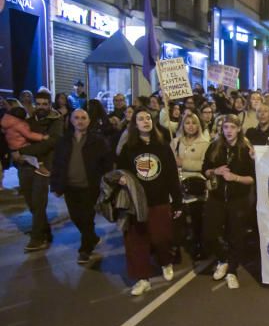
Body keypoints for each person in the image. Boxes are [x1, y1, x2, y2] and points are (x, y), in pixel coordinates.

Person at [116, 109, 183, 296]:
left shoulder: (162, 147)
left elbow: (171, 176)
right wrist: (121, 179)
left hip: (159, 200)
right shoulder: (128, 149)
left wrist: (177, 201)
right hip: (136, 203)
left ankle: (165, 262)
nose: (145, 121)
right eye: (140, 119)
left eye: (148, 118)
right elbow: (120, 172)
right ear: (134, 124)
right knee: (137, 240)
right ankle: (142, 278)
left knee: (161, 237)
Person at [50, 108, 113, 263]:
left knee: (86, 217)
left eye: (83, 117)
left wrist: (104, 183)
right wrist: (56, 186)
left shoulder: (98, 141)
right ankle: (92, 237)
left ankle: (85, 249)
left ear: (89, 121)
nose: (80, 120)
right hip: (70, 187)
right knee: (75, 217)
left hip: (90, 188)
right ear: (71, 120)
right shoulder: (64, 141)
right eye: (76, 117)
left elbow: (107, 163)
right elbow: (57, 164)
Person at [202, 115, 256, 289]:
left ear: (239, 129)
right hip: (216, 197)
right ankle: (222, 259)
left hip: (238, 199)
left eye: (233, 127)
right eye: (226, 127)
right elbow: (205, 170)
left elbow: (252, 179)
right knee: (209, 233)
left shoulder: (246, 149)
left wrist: (235, 178)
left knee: (236, 236)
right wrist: (214, 171)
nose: (229, 131)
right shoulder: (214, 147)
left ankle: (232, 271)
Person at [17, 90, 64, 251]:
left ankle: (37, 238)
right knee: (30, 201)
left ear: (50, 104)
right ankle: (44, 230)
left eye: (45, 104)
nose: (41, 107)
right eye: (39, 104)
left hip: (44, 166)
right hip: (26, 165)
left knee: (38, 202)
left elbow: (52, 142)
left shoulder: (56, 120)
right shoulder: (28, 120)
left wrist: (25, 150)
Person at [172, 112, 212, 259]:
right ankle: (175, 246)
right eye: (187, 123)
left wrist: (184, 163)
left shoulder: (205, 144)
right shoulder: (175, 142)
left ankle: (198, 245)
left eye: (194, 123)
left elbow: (205, 165)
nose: (190, 126)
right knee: (177, 218)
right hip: (178, 185)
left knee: (197, 220)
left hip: (195, 186)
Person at [2, 106, 51, 176]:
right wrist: (42, 137)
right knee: (35, 154)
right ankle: (39, 167)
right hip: (22, 145)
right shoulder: (19, 124)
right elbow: (29, 135)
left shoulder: (6, 120)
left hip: (12, 146)